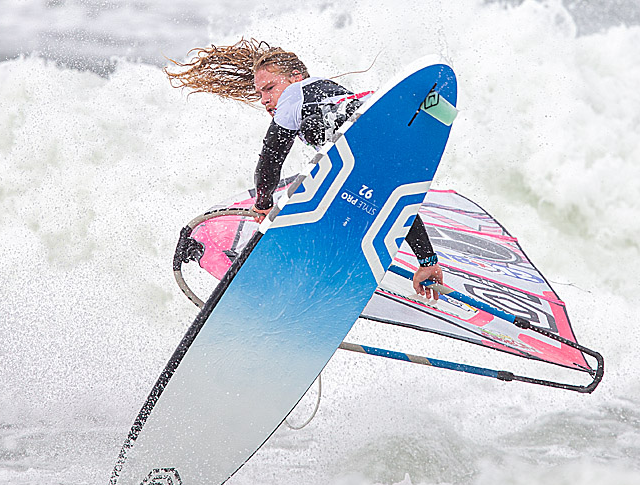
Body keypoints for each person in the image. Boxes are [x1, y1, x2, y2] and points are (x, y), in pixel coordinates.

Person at [166, 38, 444, 299]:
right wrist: (427, 260)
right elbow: (398, 202)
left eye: (269, 88)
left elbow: (269, 162)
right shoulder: (327, 100)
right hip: (387, 138)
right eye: (259, 93)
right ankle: (428, 107)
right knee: (373, 192)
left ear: (296, 77)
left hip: (375, 132)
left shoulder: (294, 96)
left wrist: (263, 204)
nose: (264, 99)